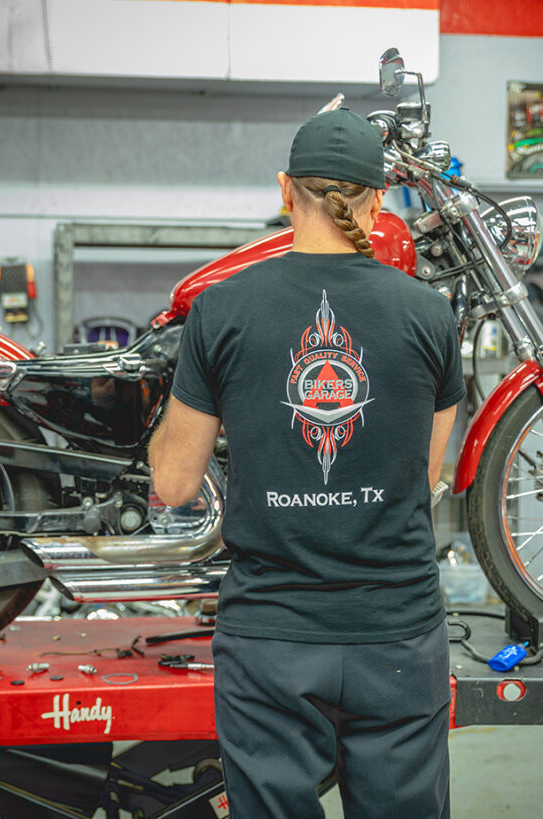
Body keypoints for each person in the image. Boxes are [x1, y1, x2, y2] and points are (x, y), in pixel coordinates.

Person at [148, 107, 465, 818]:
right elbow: (425, 476)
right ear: (378, 200)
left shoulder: (222, 309)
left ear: (286, 190)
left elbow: (171, 483)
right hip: (399, 632)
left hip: (271, 638)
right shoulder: (430, 315)